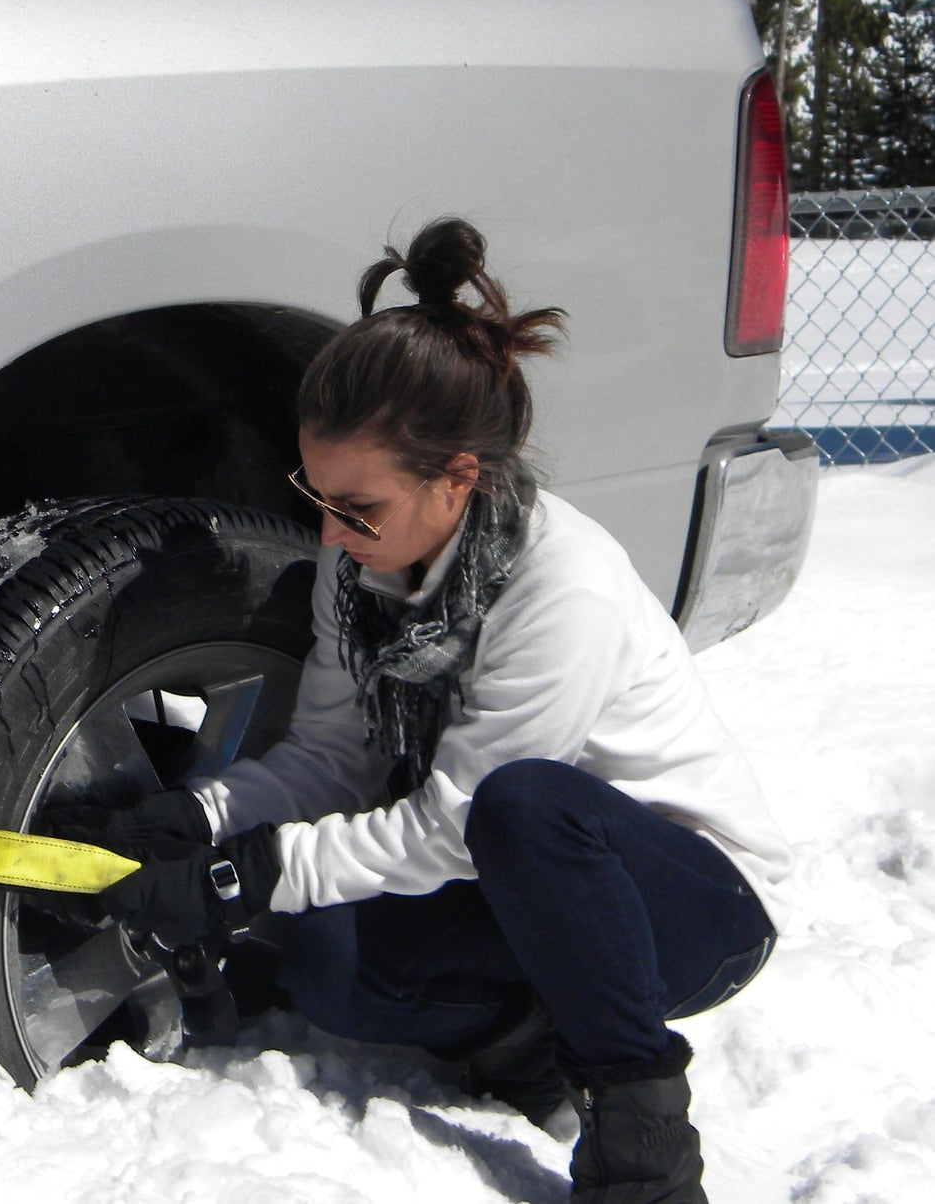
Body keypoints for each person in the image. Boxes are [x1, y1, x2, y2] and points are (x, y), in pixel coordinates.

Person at [52, 217, 790, 1204]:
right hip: (513, 877)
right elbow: (334, 758)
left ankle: (642, 1133)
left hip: (688, 906)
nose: (329, 529)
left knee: (526, 804)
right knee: (329, 963)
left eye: (358, 507)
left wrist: (248, 875)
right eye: (316, 495)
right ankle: (527, 1039)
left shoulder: (557, 588)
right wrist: (206, 817)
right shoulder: (356, 565)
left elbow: (461, 821)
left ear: (458, 480)